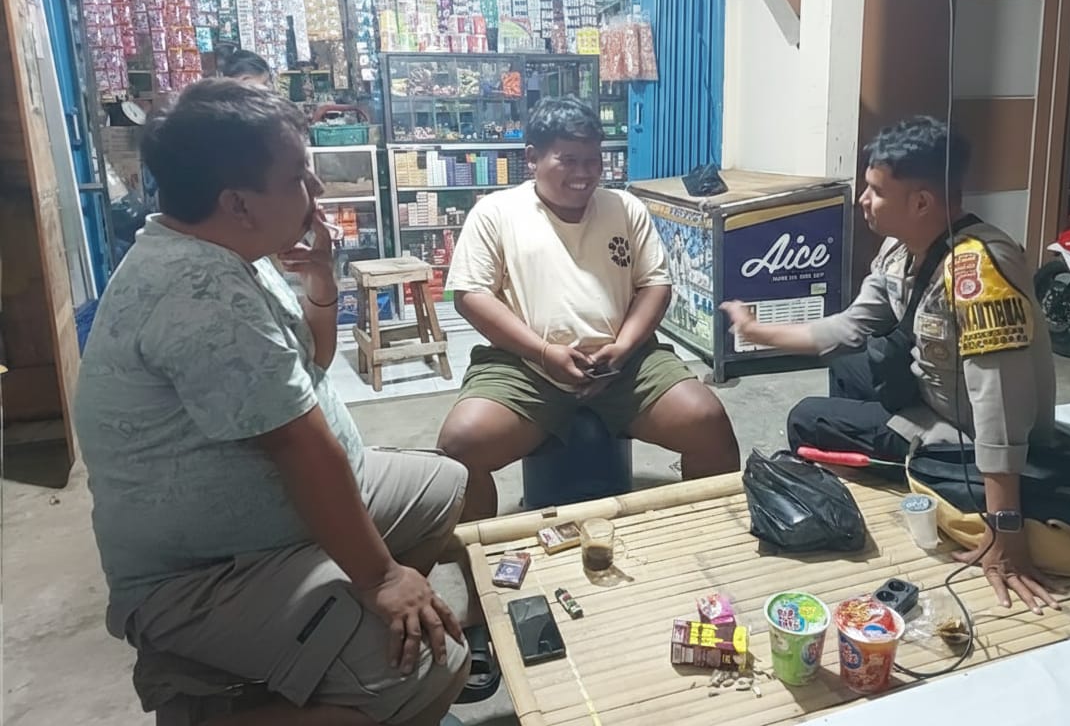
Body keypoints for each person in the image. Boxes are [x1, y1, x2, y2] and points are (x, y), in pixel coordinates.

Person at [74, 79, 470, 726]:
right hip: (204, 572)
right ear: (237, 203)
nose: (315, 191)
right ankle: (225, 704)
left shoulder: (230, 250)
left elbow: (314, 361)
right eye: (297, 178)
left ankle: (328, 652)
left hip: (278, 518)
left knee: (447, 487)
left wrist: (320, 278)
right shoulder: (198, 290)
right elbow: (299, 447)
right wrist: (379, 579)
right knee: (429, 671)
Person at [721, 116, 1060, 615]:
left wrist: (1005, 528)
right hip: (931, 392)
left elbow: (1000, 405)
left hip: (963, 433)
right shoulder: (900, 250)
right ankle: (888, 460)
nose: (863, 200)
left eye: (876, 191)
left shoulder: (979, 271)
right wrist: (757, 332)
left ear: (921, 202)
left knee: (805, 419)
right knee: (849, 365)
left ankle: (924, 473)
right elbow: (849, 328)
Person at [437, 96, 740, 521]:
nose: (584, 173)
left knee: (706, 420)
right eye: (568, 160)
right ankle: (479, 557)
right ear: (532, 158)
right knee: (460, 445)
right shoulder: (496, 213)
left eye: (592, 160)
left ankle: (710, 537)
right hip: (526, 368)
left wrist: (623, 348)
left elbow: (655, 285)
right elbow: (471, 296)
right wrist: (545, 353)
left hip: (625, 364)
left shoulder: (624, 207)